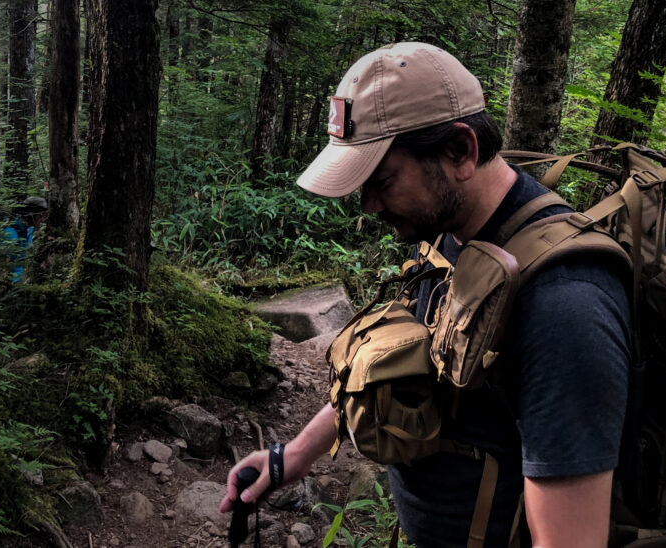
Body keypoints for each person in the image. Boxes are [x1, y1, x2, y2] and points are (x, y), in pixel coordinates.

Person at [220, 42, 631, 547]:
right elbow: (408, 355)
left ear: (461, 151)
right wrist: (294, 457)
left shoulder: (563, 304)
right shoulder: (449, 229)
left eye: (382, 179)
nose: (368, 204)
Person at [4, 196, 48, 282]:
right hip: (10, 284)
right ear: (31, 215)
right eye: (40, 216)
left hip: (23, 280)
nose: (42, 220)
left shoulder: (30, 229)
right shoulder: (11, 233)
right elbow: (2, 266)